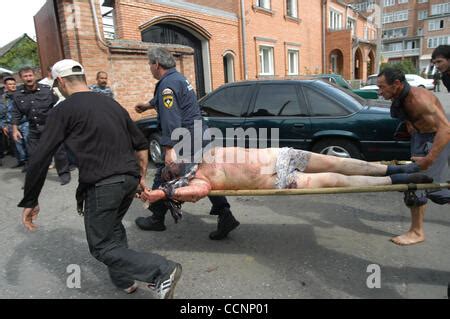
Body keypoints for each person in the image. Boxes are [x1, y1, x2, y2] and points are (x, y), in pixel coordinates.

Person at [18, 59, 182, 298]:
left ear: (60, 82)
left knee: (102, 246)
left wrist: (30, 200)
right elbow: (140, 144)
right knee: (113, 229)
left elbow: (40, 157)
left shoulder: (63, 110)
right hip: (127, 180)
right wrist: (140, 177)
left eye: (56, 85)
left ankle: (162, 271)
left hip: (103, 184)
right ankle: (124, 280)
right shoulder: (111, 104)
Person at [134, 47, 240, 240]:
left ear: (156, 64)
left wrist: (169, 149)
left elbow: (171, 120)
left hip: (187, 139)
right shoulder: (178, 79)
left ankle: (157, 218)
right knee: (205, 175)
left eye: (150, 64)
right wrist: (149, 105)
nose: (150, 67)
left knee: (163, 174)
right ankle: (225, 214)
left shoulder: (167, 85)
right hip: (201, 135)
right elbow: (175, 100)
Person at [138, 146, 432, 205]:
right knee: (335, 179)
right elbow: (198, 193)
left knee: (338, 164)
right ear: (174, 178)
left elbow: (172, 153)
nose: (172, 165)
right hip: (278, 179)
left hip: (281, 156)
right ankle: (395, 181)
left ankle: (395, 169)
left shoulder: (199, 158)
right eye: (169, 171)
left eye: (171, 165)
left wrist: (168, 158)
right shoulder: (198, 181)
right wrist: (162, 193)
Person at [377, 67, 450, 246]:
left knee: (424, 186)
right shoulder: (400, 97)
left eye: (382, 87)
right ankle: (416, 230)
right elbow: (408, 115)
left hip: (435, 139)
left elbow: (446, 129)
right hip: (420, 137)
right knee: (417, 184)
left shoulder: (419, 100)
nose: (379, 92)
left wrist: (429, 158)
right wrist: (410, 125)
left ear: (397, 84)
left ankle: (417, 233)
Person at [11, 67, 71, 185]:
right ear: (21, 78)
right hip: (34, 129)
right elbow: (16, 112)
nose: (28, 78)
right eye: (25, 76)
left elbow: (57, 103)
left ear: (34, 76)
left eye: (30, 75)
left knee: (59, 152)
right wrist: (14, 129)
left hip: (50, 127)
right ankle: (34, 179)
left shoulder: (46, 90)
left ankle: (64, 174)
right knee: (33, 155)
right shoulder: (18, 95)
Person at [0, 76, 28, 168]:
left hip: (24, 123)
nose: (12, 86)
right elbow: (1, 114)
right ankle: (22, 161)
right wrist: (3, 126)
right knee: (17, 145)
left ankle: (29, 163)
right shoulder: (3, 99)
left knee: (27, 142)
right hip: (11, 125)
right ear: (5, 86)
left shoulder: (22, 94)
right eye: (10, 84)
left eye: (13, 84)